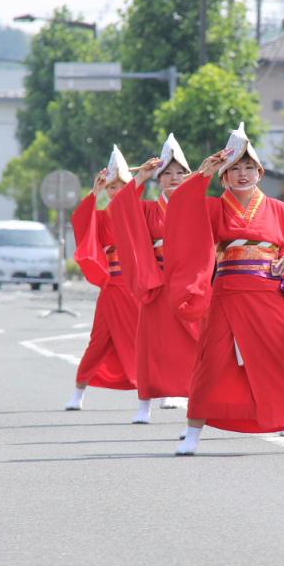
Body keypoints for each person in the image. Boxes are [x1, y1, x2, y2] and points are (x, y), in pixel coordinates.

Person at [165, 123, 284, 456]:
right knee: (211, 363)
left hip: (269, 295)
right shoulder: (213, 209)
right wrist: (202, 174)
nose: (242, 174)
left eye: (248, 167)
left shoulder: (281, 211)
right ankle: (193, 435)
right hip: (226, 295)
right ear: (224, 177)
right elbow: (180, 211)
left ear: (260, 172)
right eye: (234, 169)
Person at [109, 134, 200, 424]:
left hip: (189, 286)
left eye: (180, 173)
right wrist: (141, 178)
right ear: (159, 179)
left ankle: (197, 400)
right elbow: (121, 207)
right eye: (167, 173)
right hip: (158, 285)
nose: (174, 178)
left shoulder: (199, 207)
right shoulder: (148, 209)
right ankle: (144, 406)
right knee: (151, 346)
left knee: (196, 345)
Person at [63, 146, 139, 413]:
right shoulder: (102, 217)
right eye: (112, 187)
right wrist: (94, 193)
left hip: (139, 289)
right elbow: (82, 222)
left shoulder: (142, 213)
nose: (117, 191)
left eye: (122, 186)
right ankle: (78, 391)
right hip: (113, 287)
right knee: (99, 342)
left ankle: (161, 391)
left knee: (151, 341)